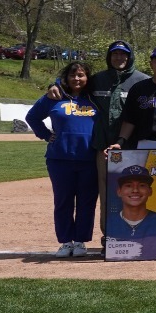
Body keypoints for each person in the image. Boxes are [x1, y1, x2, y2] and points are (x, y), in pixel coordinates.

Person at [25, 60, 98, 258]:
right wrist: (46, 135)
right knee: (63, 201)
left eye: (81, 75)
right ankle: (66, 242)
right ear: (65, 78)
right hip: (60, 159)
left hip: (89, 159)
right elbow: (32, 117)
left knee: (86, 203)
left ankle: (81, 241)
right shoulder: (54, 97)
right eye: (72, 75)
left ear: (87, 78)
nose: (77, 79)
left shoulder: (95, 98)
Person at [86, 41, 148, 243]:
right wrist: (55, 85)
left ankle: (139, 231)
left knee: (136, 190)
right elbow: (72, 85)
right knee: (107, 193)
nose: (119, 58)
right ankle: (110, 233)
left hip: (134, 148)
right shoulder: (97, 80)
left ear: (130, 57)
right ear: (109, 56)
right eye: (115, 55)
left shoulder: (142, 81)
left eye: (123, 55)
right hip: (104, 147)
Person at [107, 164, 156, 240]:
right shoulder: (110, 223)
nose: (135, 190)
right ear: (119, 191)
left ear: (150, 191)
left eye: (142, 185)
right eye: (129, 185)